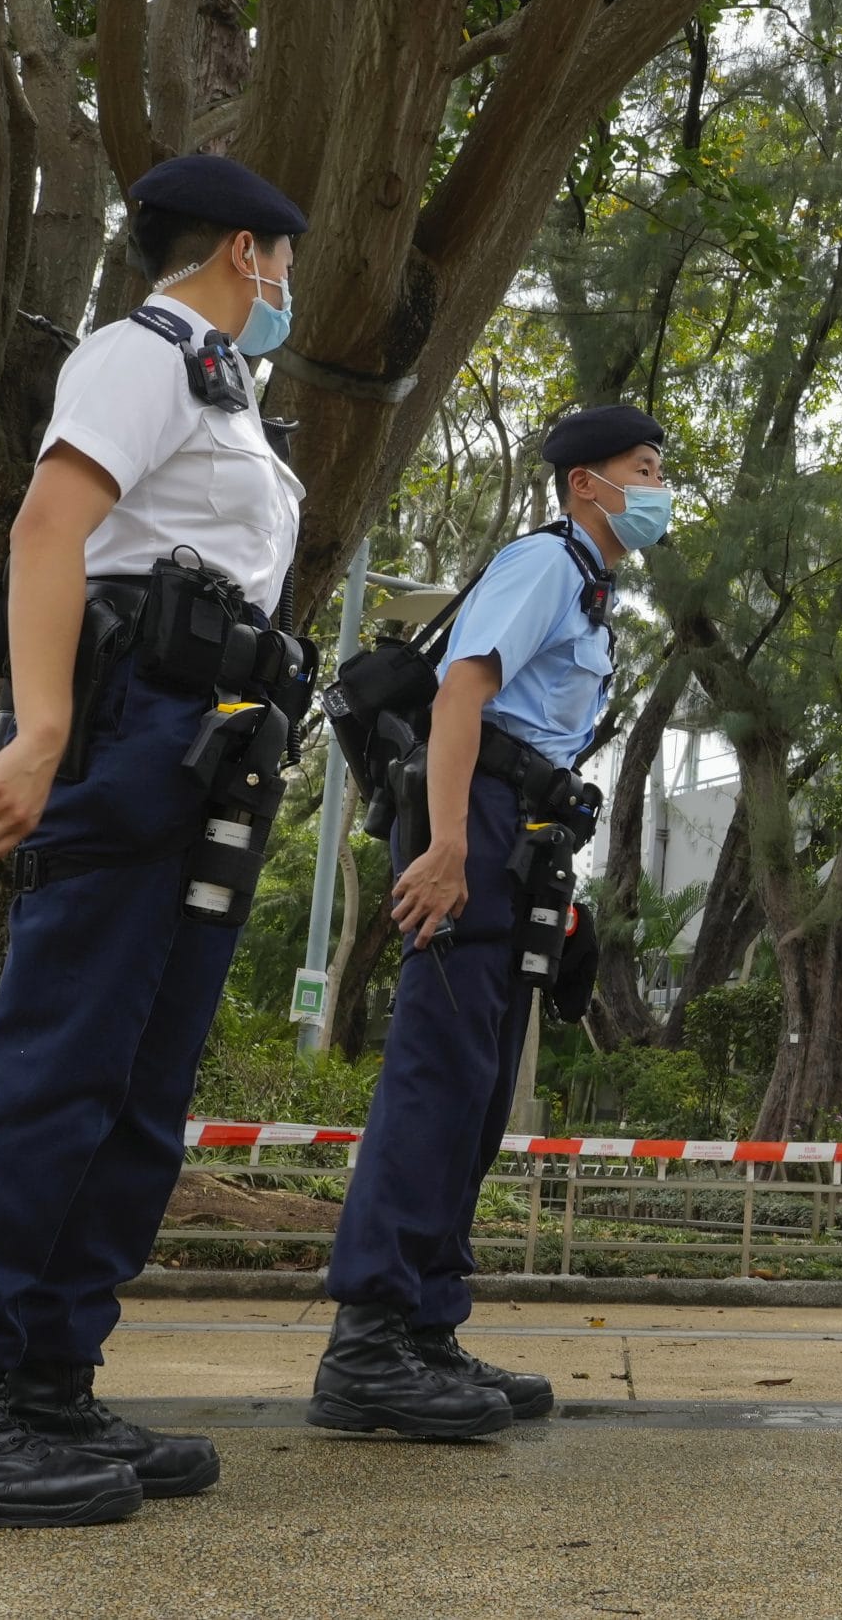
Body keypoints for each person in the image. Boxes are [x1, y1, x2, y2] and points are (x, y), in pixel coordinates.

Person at [0, 154, 310, 1525]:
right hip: (129, 723)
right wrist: (42, 724)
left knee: (139, 1078)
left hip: (204, 739)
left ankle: (47, 1376)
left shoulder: (224, 390)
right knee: (60, 1061)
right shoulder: (140, 355)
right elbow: (47, 528)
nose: (289, 286)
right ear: (250, 250)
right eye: (286, 260)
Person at [308, 405, 667, 1440]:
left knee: (476, 1086)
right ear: (584, 484)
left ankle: (425, 1326)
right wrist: (450, 844)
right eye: (640, 470)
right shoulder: (546, 562)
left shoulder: (592, 596)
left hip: (526, 832)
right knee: (436, 1075)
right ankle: (368, 1343)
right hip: (479, 819)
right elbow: (464, 695)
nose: (656, 489)